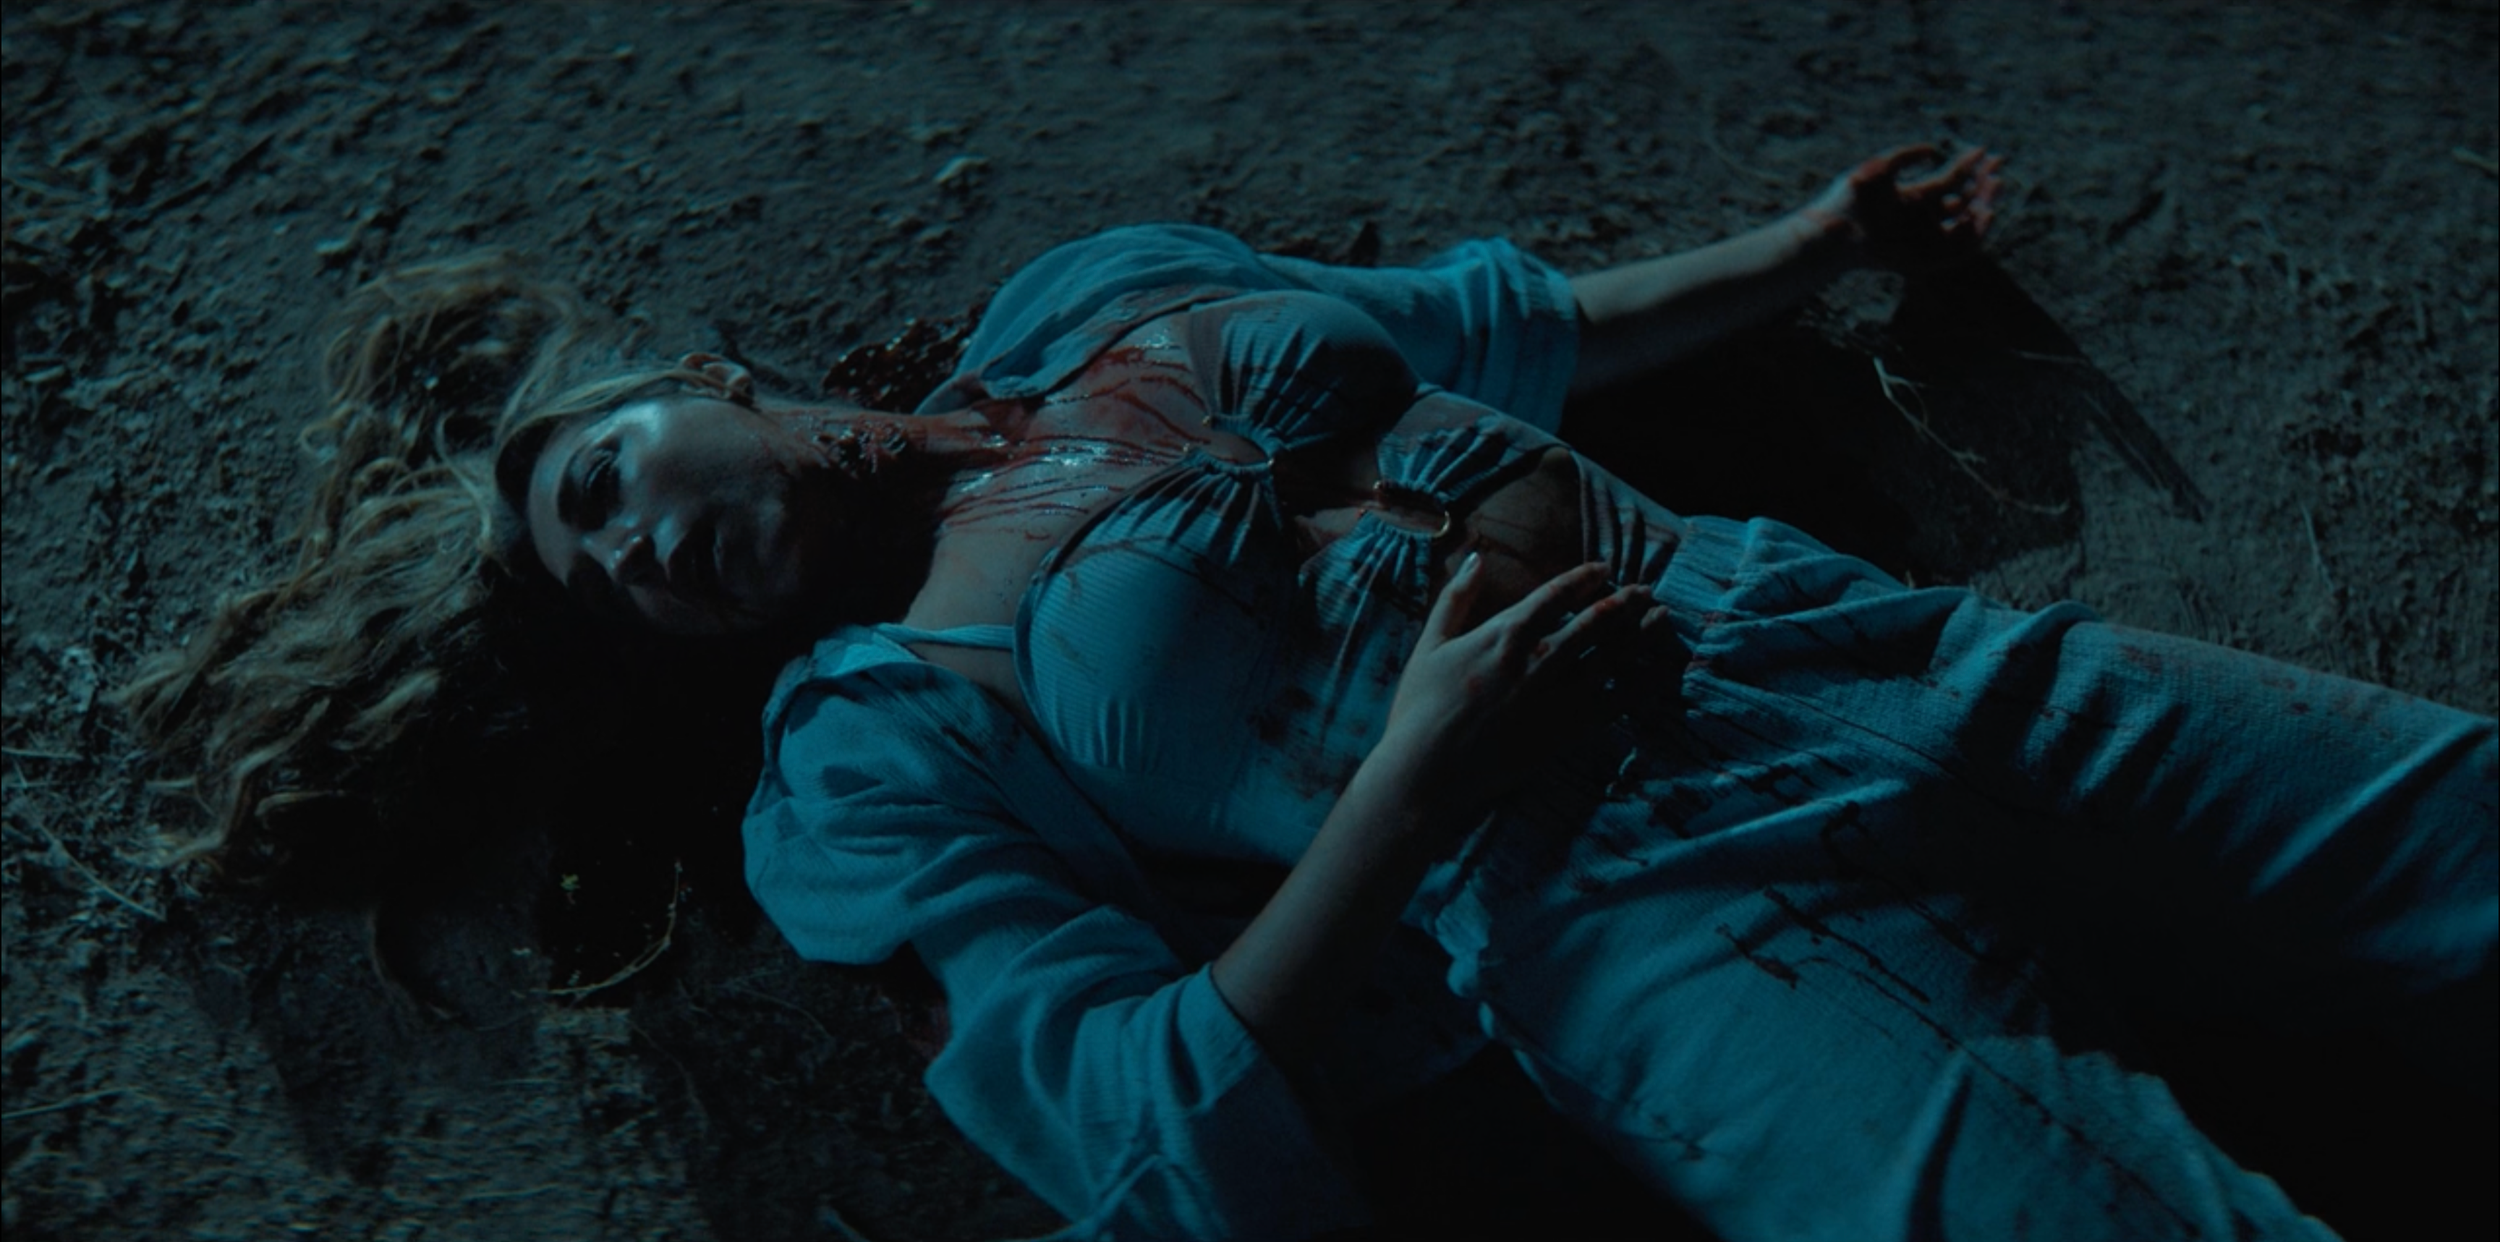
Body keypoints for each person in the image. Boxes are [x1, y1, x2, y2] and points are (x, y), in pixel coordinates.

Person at [126, 145, 2495, 1241]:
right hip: (1651, 934)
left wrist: (1807, 249)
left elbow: (1500, 327)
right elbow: (1123, 1111)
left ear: (693, 383)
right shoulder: (867, 749)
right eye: (612, 590)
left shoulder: (1100, 297)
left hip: (1842, 648)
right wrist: (1414, 786)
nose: (639, 549)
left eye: (601, 488)